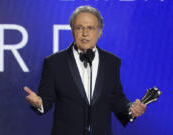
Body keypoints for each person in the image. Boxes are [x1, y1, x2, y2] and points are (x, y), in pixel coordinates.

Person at [24, 5, 146, 135]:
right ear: (72, 31)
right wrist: (38, 103)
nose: (85, 33)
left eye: (90, 28)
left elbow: (116, 98)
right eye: (79, 28)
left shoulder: (112, 62)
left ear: (99, 32)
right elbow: (46, 100)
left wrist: (130, 108)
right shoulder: (54, 63)